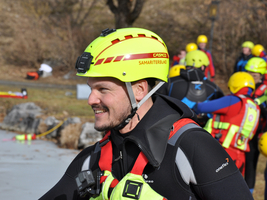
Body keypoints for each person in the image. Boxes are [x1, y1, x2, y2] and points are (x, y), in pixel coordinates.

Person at [39, 28, 254, 200]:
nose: (91, 100)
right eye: (90, 88)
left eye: (103, 89)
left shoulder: (191, 147)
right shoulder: (93, 159)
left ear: (139, 90)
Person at [193, 72, 260, 177]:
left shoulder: (232, 100)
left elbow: (201, 108)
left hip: (222, 153)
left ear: (234, 84)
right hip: (240, 158)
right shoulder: (255, 108)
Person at [158, 50, 224, 111]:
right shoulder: (214, 88)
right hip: (202, 123)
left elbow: (154, 102)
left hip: (174, 122)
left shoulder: (170, 82)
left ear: (186, 63)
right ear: (203, 67)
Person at [244, 57, 267, 194]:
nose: (251, 77)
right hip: (249, 133)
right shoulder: (246, 87)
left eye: (254, 75)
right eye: (249, 74)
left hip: (262, 133)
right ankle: (248, 193)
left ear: (262, 75)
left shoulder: (264, 91)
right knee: (249, 165)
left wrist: (260, 104)